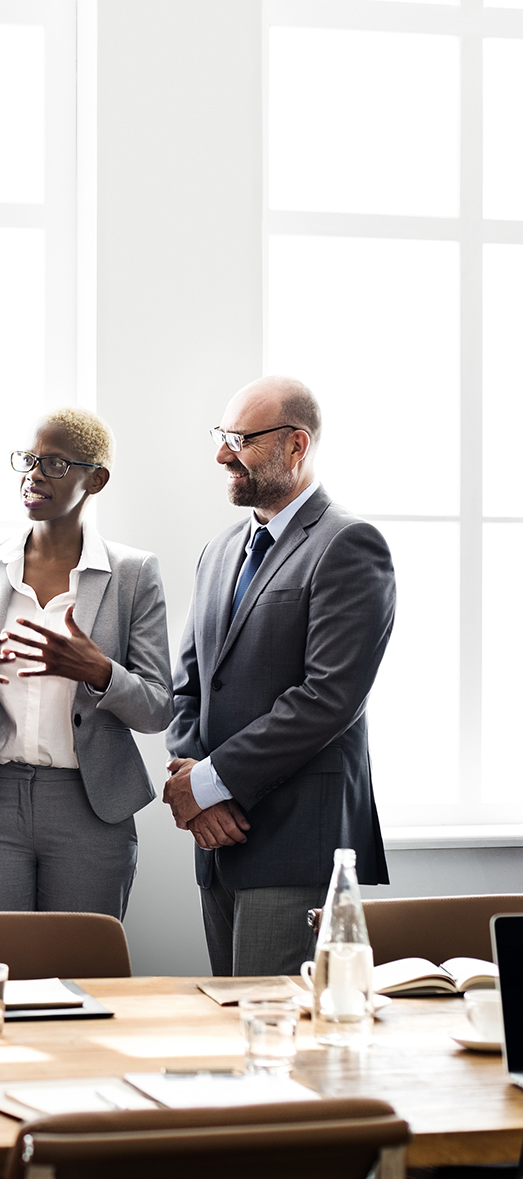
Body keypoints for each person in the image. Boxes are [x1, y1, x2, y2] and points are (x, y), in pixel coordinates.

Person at [163, 375, 396, 978]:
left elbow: (328, 698)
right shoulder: (220, 550)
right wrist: (197, 795)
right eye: (222, 436)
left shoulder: (349, 544)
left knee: (276, 1040)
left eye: (240, 439)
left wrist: (210, 783)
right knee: (227, 1022)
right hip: (218, 838)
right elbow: (188, 686)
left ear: (297, 445)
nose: (221, 455)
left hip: (295, 841)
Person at [0, 408, 173, 916]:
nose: (34, 474)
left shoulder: (132, 573)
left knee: (81, 977)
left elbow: (157, 709)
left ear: (95, 478)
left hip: (90, 805)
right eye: (29, 460)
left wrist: (98, 670)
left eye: (54, 463)